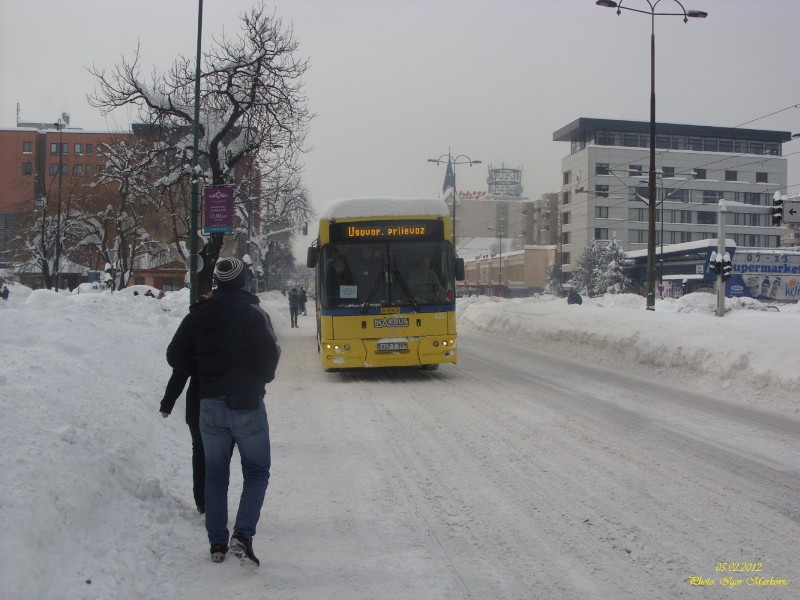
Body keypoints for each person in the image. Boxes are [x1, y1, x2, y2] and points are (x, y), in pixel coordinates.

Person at [167, 257, 280, 568]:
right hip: (246, 402)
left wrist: (205, 373)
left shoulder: (197, 315)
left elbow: (174, 354)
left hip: (209, 403)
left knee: (215, 473)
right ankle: (242, 535)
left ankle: (217, 541)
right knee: (256, 471)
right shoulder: (253, 313)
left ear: (216, 282)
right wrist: (259, 377)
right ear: (243, 281)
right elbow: (270, 355)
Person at [159, 370, 205, 514]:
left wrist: (167, 402)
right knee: (215, 455)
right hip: (223, 401)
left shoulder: (194, 346)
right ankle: (209, 501)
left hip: (199, 401)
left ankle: (203, 501)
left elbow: (181, 368)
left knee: (200, 450)